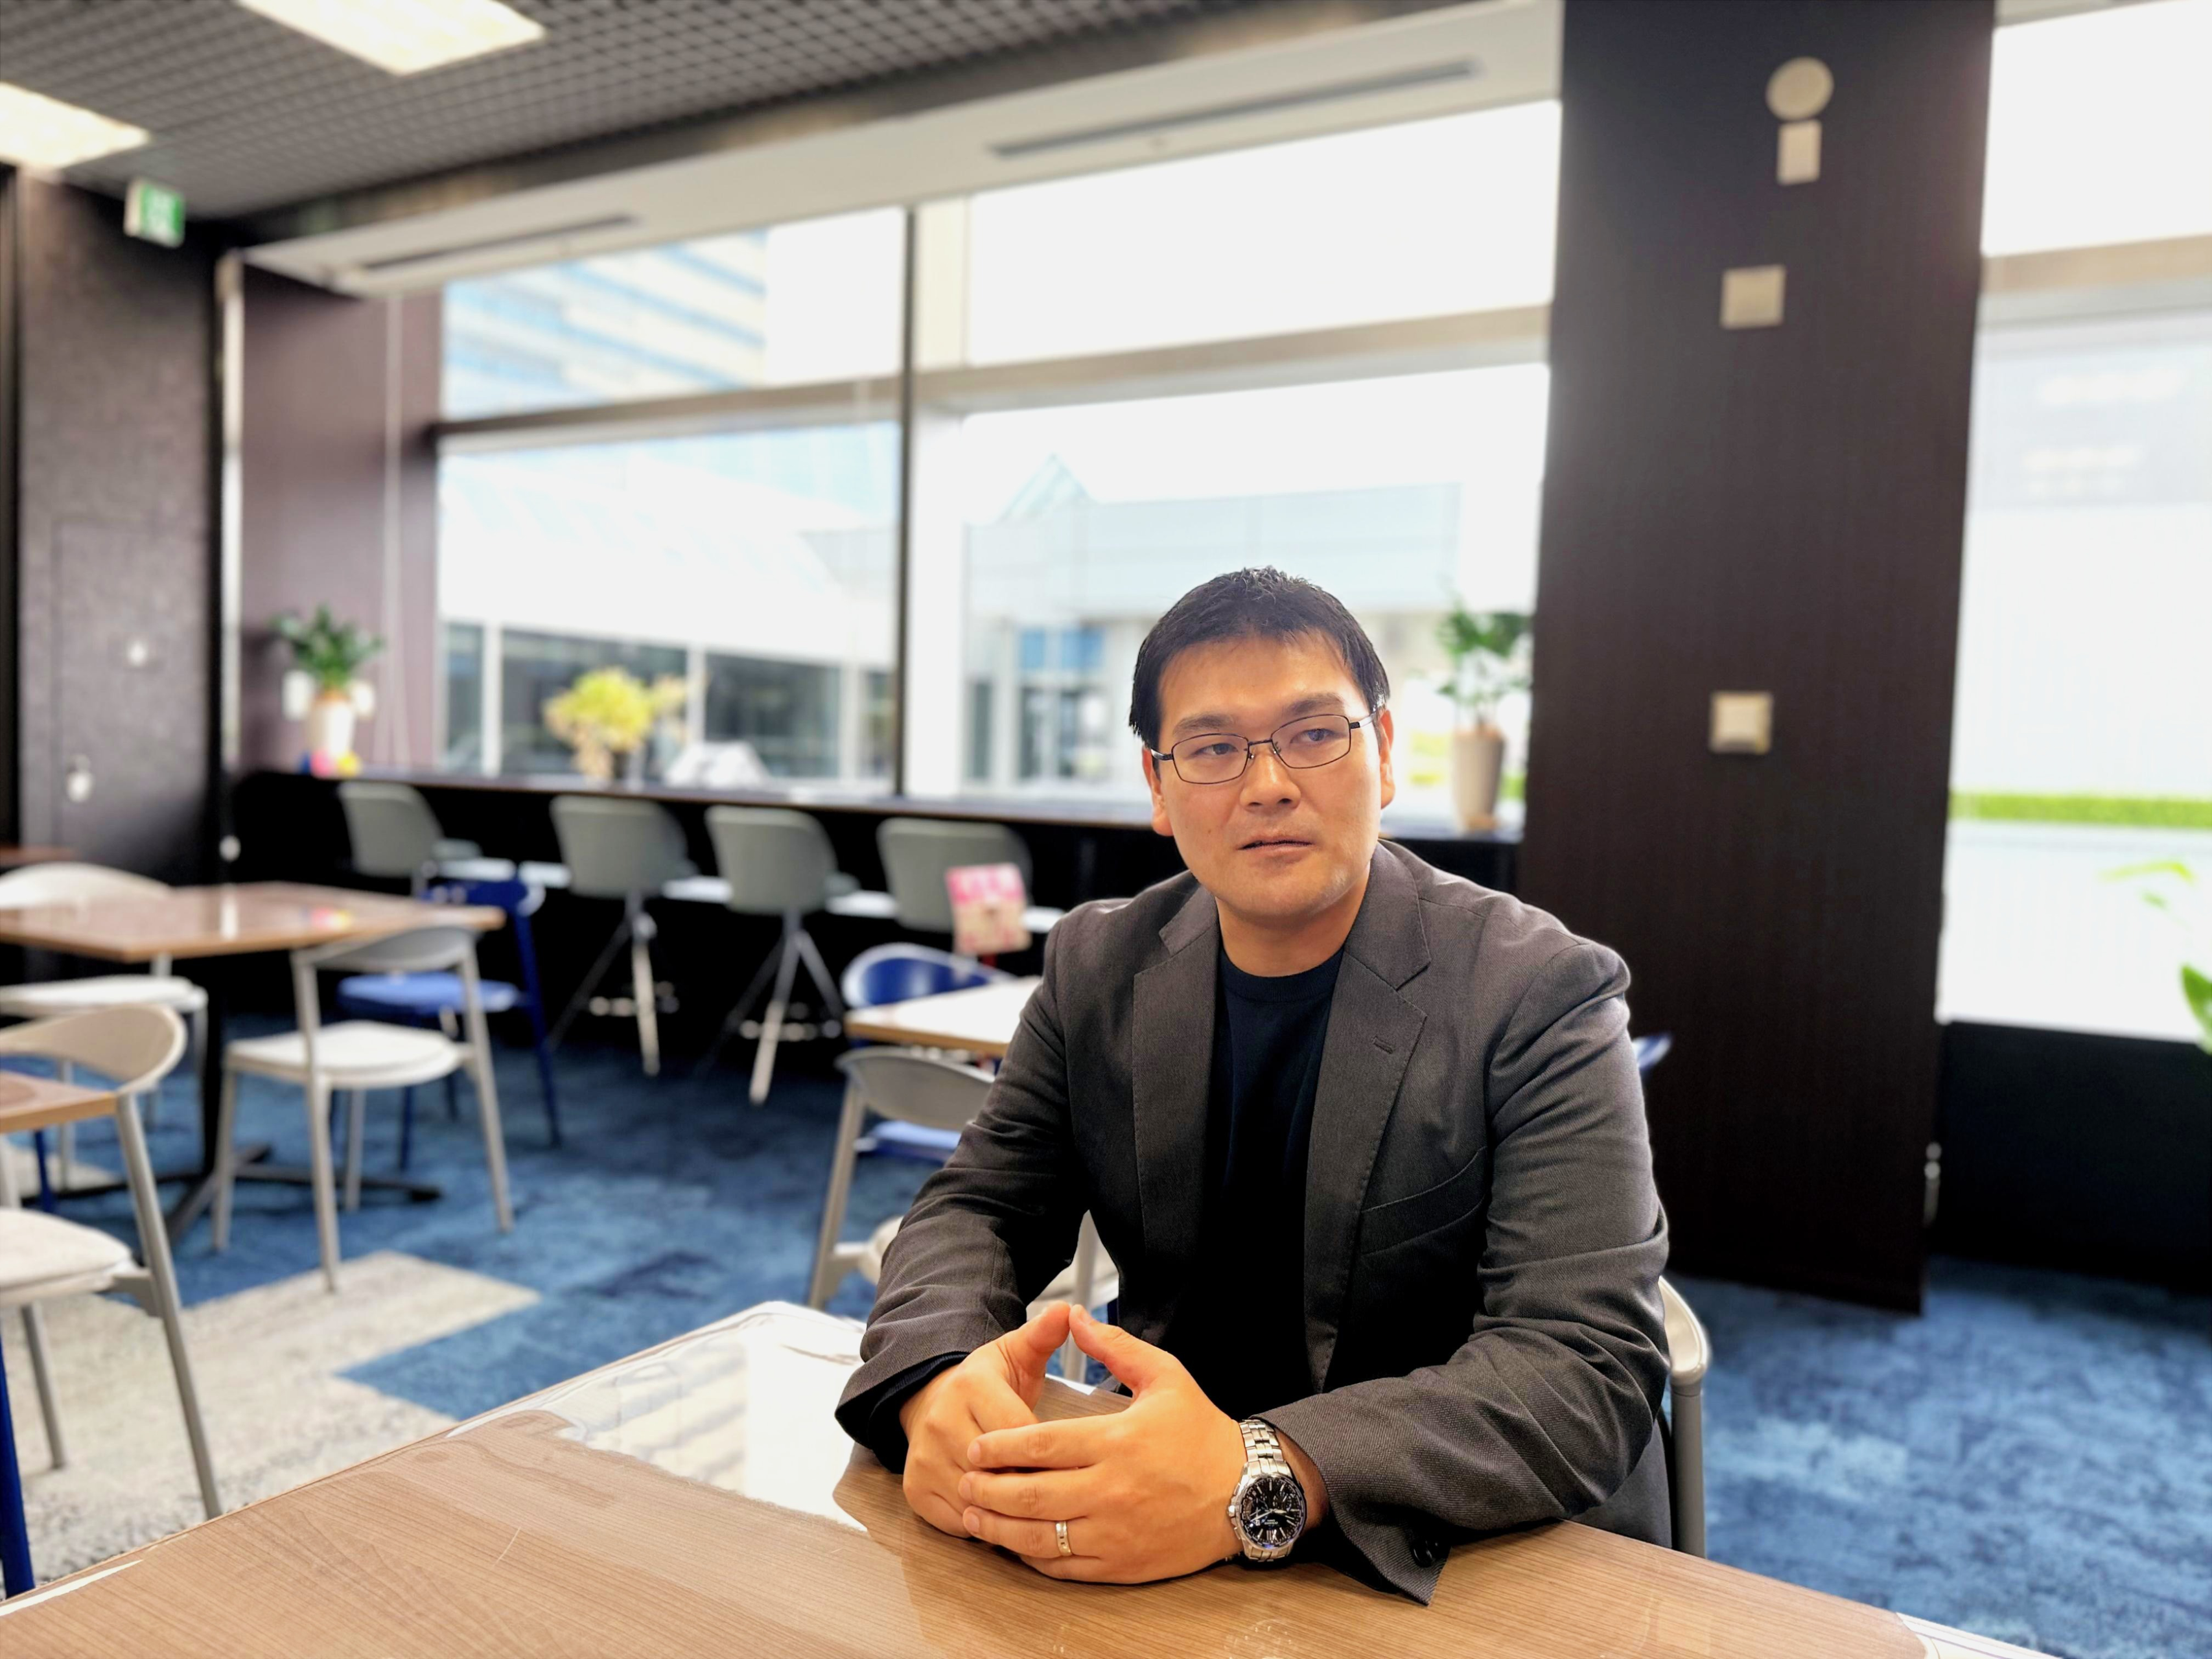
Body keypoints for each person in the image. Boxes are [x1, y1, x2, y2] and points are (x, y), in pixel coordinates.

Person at [835, 567, 1670, 1601]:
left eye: (1315, 734)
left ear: (1386, 751)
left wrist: (1260, 1472)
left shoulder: (1539, 990)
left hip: (1468, 1556)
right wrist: (934, 1380)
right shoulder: (1099, 966)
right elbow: (979, 1208)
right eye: (1214, 748)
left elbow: (1583, 1362)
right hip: (1160, 1534)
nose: (1268, 783)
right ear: (1157, 786)